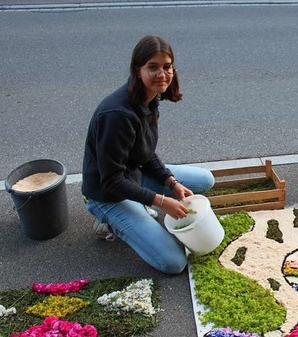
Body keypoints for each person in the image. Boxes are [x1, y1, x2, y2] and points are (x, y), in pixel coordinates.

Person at [82, 35, 214, 275]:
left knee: (204, 180)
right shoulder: (117, 114)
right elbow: (111, 181)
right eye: (152, 67)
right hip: (108, 193)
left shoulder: (150, 99)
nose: (161, 74)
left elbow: (146, 153)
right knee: (174, 263)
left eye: (167, 66)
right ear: (137, 70)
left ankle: (140, 205)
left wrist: (170, 182)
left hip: (133, 175)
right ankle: (105, 218)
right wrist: (161, 201)